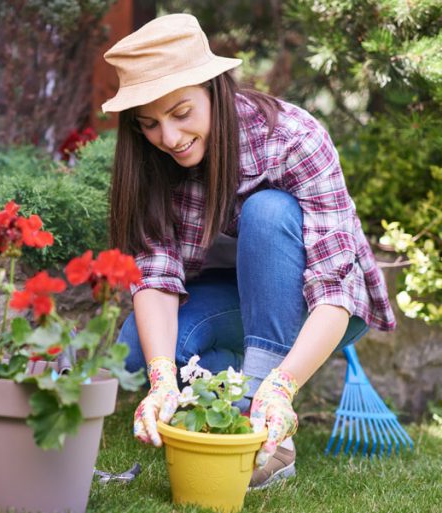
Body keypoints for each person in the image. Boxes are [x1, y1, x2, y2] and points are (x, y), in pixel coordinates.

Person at [102, 13, 396, 489]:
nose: (170, 139)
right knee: (140, 350)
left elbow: (335, 285)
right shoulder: (149, 163)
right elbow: (155, 273)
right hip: (230, 297)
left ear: (215, 88)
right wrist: (161, 381)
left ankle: (265, 420)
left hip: (320, 304)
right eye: (150, 125)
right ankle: (235, 405)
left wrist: (280, 387)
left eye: (181, 114)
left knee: (268, 211)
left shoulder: (293, 137)